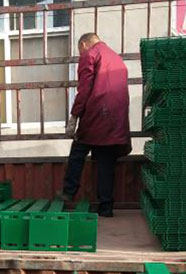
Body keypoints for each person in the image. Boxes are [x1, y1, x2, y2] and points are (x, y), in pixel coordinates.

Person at [57, 33, 131, 217]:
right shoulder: (117, 58)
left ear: (84, 44)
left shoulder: (90, 55)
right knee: (106, 162)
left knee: (78, 150)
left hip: (97, 114)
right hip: (117, 119)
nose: (80, 54)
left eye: (79, 50)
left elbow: (84, 89)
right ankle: (106, 207)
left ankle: (68, 192)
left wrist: (74, 116)